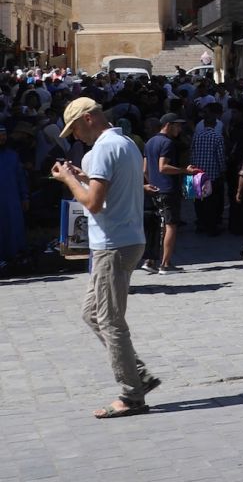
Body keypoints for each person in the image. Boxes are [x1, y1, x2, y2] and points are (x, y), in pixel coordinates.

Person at [51, 97, 161, 419]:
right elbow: (110, 190)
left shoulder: (100, 149)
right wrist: (83, 176)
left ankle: (131, 394)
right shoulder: (124, 142)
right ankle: (137, 374)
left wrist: (69, 180)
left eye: (74, 130)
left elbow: (94, 203)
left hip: (113, 245)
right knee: (92, 314)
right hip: (127, 240)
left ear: (88, 119)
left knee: (110, 320)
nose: (75, 137)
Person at [143, 114, 199, 274]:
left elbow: (145, 169)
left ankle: (150, 260)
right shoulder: (167, 143)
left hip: (154, 190)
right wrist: (185, 170)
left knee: (157, 226)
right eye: (178, 126)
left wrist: (151, 182)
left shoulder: (150, 142)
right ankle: (166, 264)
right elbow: (163, 167)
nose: (180, 129)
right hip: (168, 189)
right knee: (171, 225)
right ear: (168, 125)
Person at [188, 114, 227, 236]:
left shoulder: (196, 136)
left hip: (196, 172)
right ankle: (211, 227)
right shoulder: (218, 137)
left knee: (198, 200)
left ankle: (200, 224)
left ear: (204, 124)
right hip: (212, 174)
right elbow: (220, 157)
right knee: (211, 202)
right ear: (215, 124)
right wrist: (223, 171)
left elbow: (191, 152)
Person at [0, 120, 29, 266]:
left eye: (4, 134)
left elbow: (20, 177)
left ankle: (15, 258)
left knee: (13, 228)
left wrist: (25, 197)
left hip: (12, 199)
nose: (2, 138)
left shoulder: (12, 156)